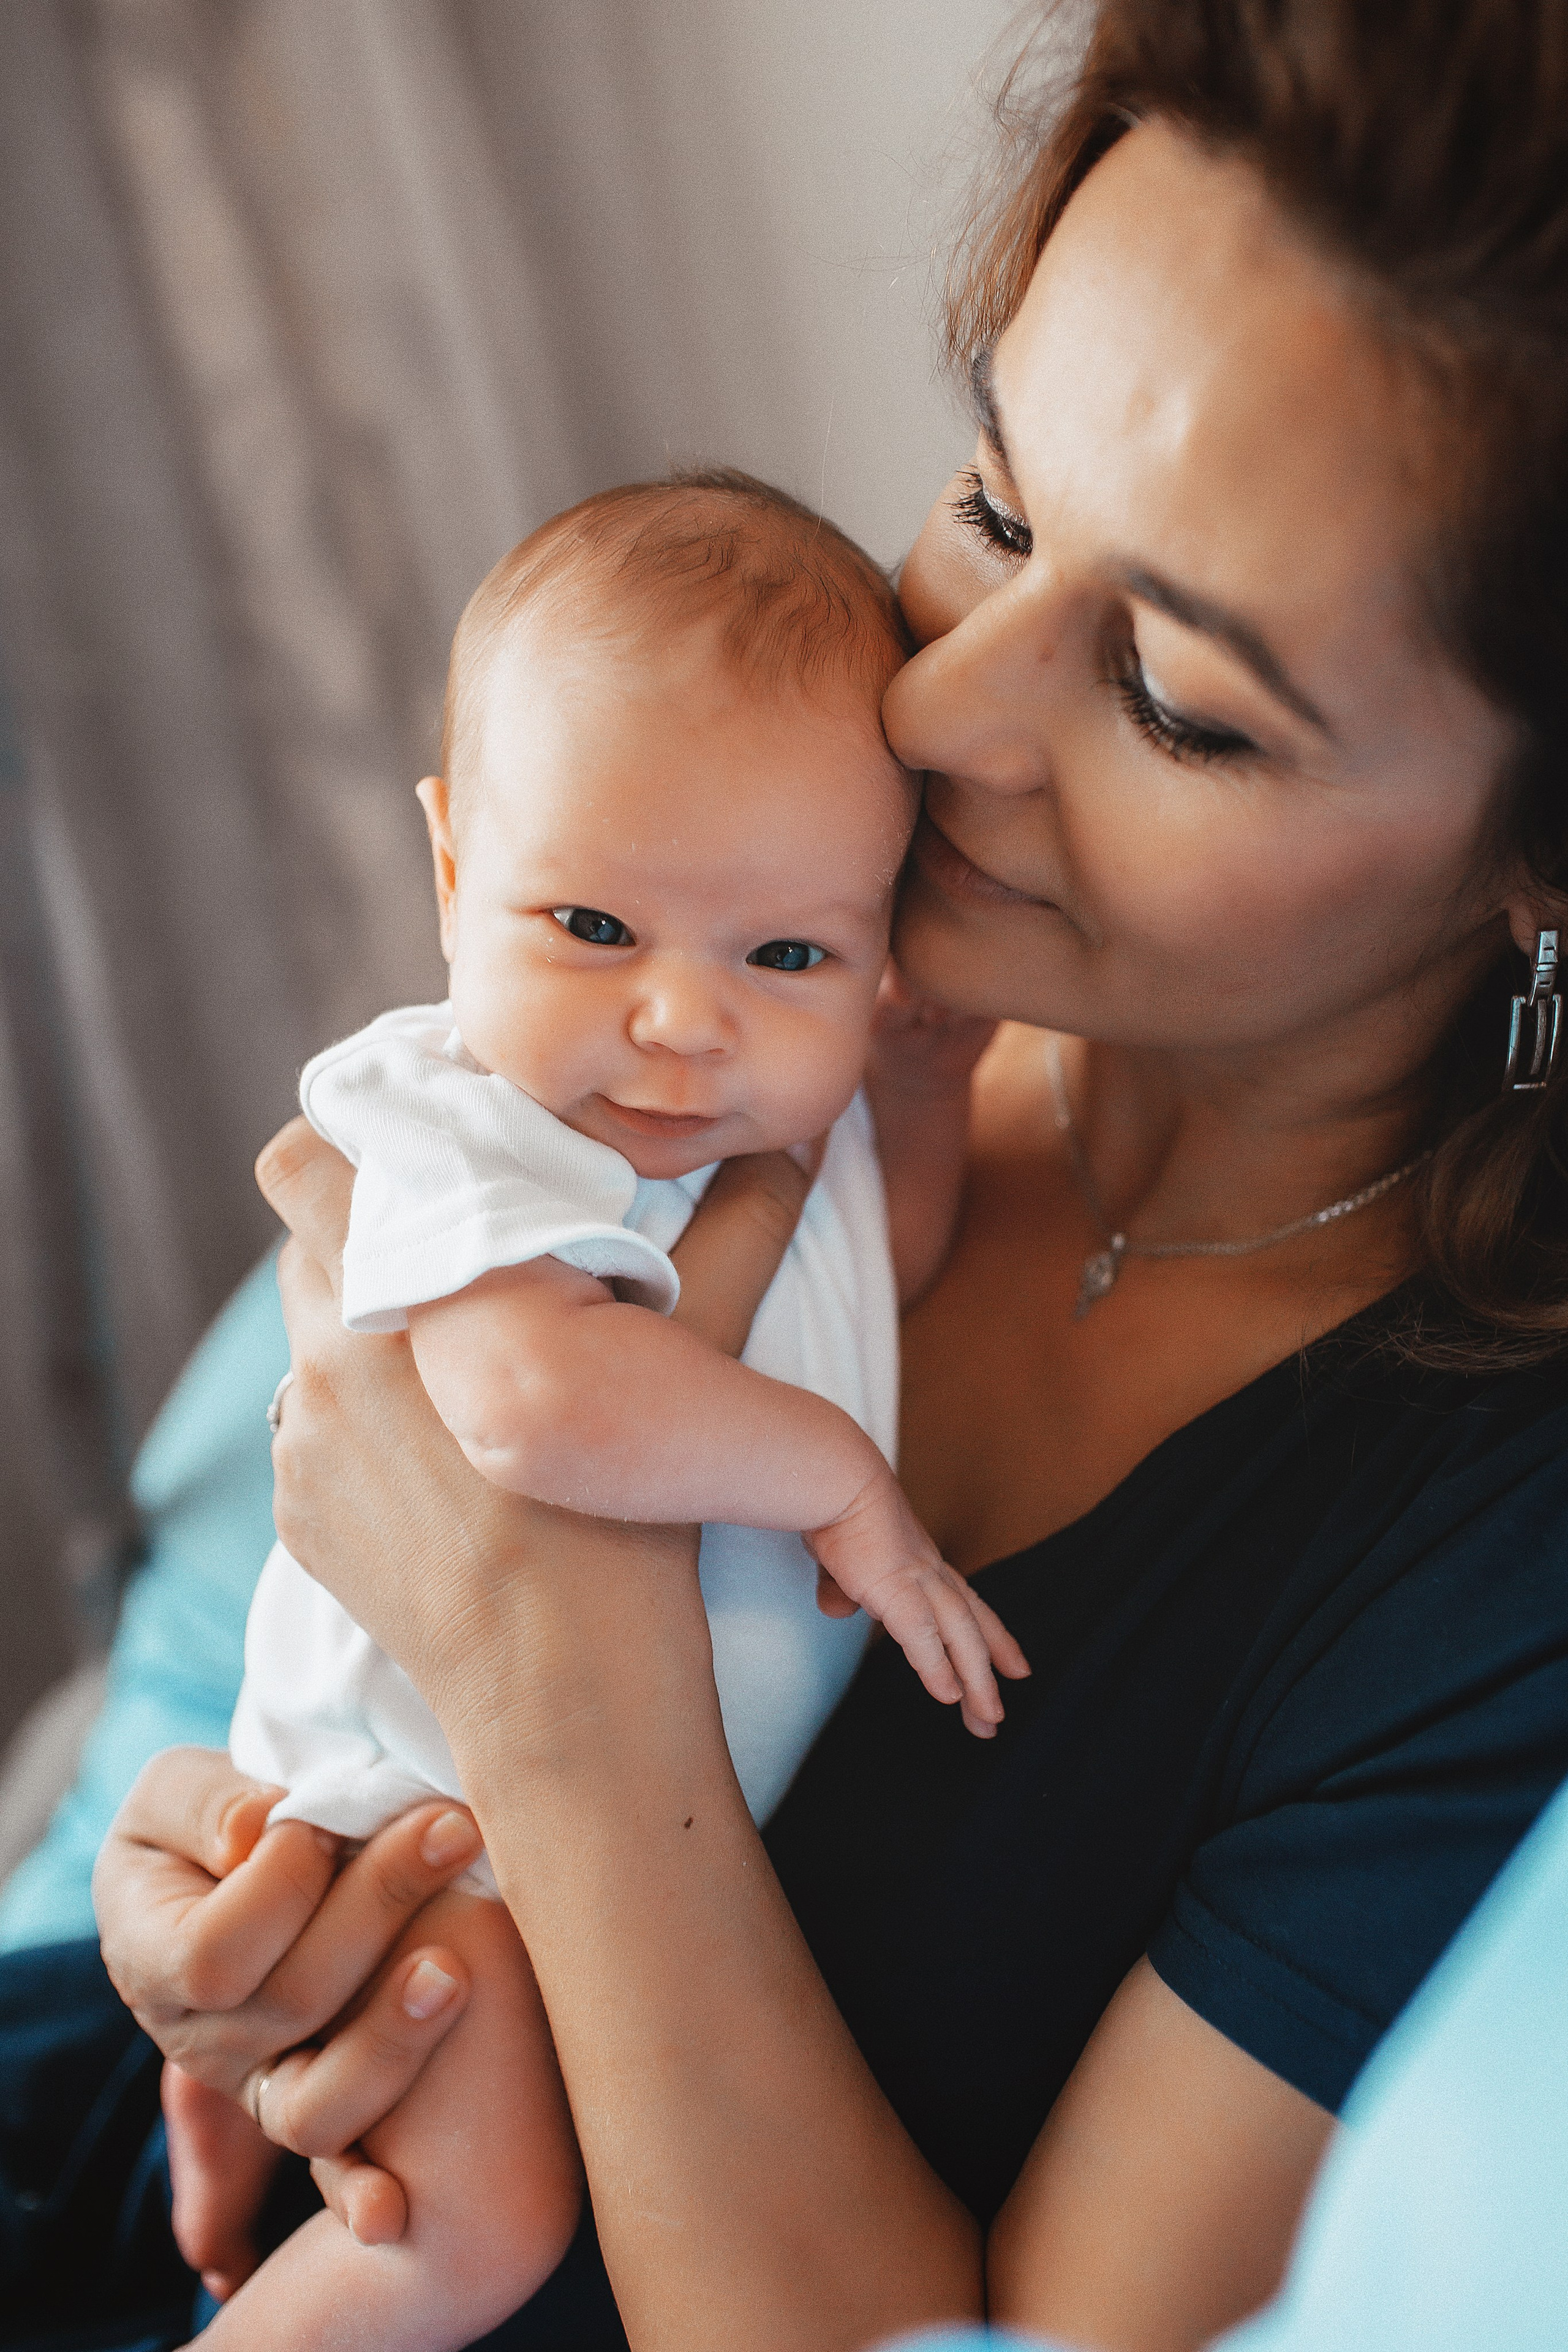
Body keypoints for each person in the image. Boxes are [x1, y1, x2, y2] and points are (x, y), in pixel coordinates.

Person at [26, 0, 1568, 2345]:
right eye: (996, 502)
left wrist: (559, 1676)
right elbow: (282, 1648)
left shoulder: (1491, 1571)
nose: (938, 706)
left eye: (1173, 697)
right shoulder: (730, 971)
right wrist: (208, 1921)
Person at [170, 472, 1025, 2352]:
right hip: (412, 1825)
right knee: (468, 2225)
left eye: (785, 955)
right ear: (455, 864)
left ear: (877, 950)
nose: (679, 1023)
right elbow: (534, 1403)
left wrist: (929, 1088)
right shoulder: (463, 1117)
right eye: (590, 923)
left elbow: (886, 1271)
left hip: (571, 1847)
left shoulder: (773, 1135)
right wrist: (847, 1490)